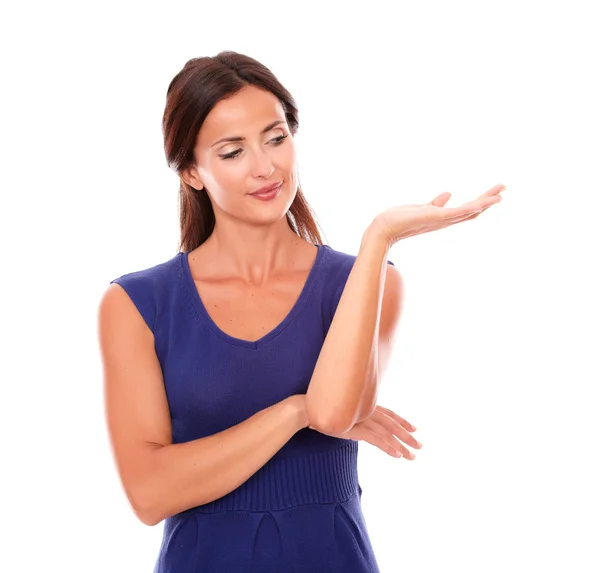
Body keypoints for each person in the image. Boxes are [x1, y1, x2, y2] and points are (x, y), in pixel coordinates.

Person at [97, 50, 505, 573]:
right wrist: (295, 411)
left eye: (275, 137)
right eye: (232, 152)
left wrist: (379, 238)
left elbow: (336, 412)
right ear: (193, 173)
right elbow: (149, 494)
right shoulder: (137, 305)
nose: (266, 167)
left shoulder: (366, 283)